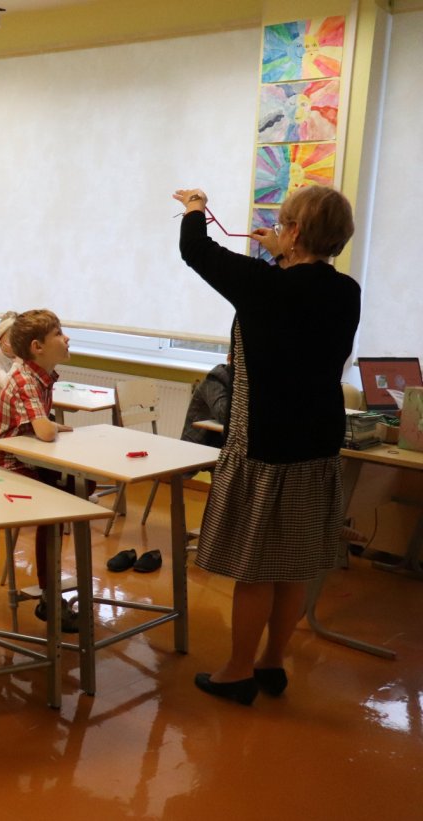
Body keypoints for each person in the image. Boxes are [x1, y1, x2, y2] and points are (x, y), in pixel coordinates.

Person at [175, 185, 360, 706]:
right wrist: (282, 252)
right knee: (292, 564)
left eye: (283, 224)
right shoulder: (346, 291)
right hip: (318, 441)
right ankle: (272, 663)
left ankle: (237, 671)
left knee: (255, 569)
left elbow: (195, 249)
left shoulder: (262, 285)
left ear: (295, 232)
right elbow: (301, 292)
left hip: (265, 443)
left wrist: (195, 208)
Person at [0, 309, 84, 633]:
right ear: (37, 347)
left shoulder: (43, 377)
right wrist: (52, 426)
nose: (66, 338)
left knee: (82, 486)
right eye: (58, 333)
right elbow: (44, 431)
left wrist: (52, 426)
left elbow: (44, 428)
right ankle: (49, 595)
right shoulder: (25, 378)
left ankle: (50, 589)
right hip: (6, 466)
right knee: (57, 507)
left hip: (29, 460)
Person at [181, 355, 232, 449]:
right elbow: (223, 415)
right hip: (197, 445)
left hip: (217, 443)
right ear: (229, 358)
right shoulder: (215, 379)